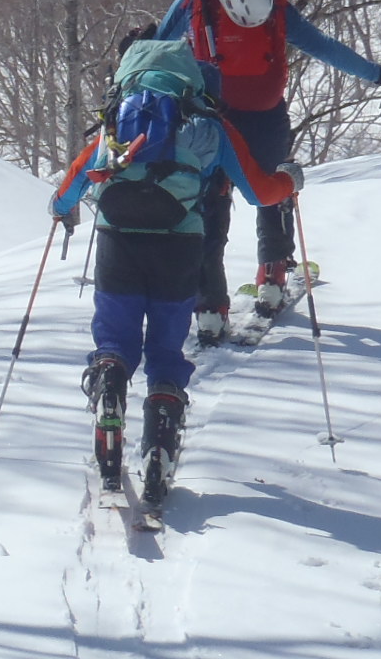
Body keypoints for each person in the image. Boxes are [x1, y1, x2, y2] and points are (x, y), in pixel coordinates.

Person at [50, 36, 298, 507]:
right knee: (165, 348)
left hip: (118, 242)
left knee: (116, 338)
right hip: (181, 246)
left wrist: (58, 208)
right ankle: (161, 440)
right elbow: (260, 191)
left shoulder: (117, 119)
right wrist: (290, 179)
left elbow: (73, 182)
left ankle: (110, 382)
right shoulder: (208, 124)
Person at [153, 0, 381, 342]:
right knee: (273, 188)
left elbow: (159, 45)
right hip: (264, 114)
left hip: (209, 117)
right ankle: (271, 276)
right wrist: (377, 74)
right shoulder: (275, 2)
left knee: (209, 206)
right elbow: (321, 45)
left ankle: (209, 309)